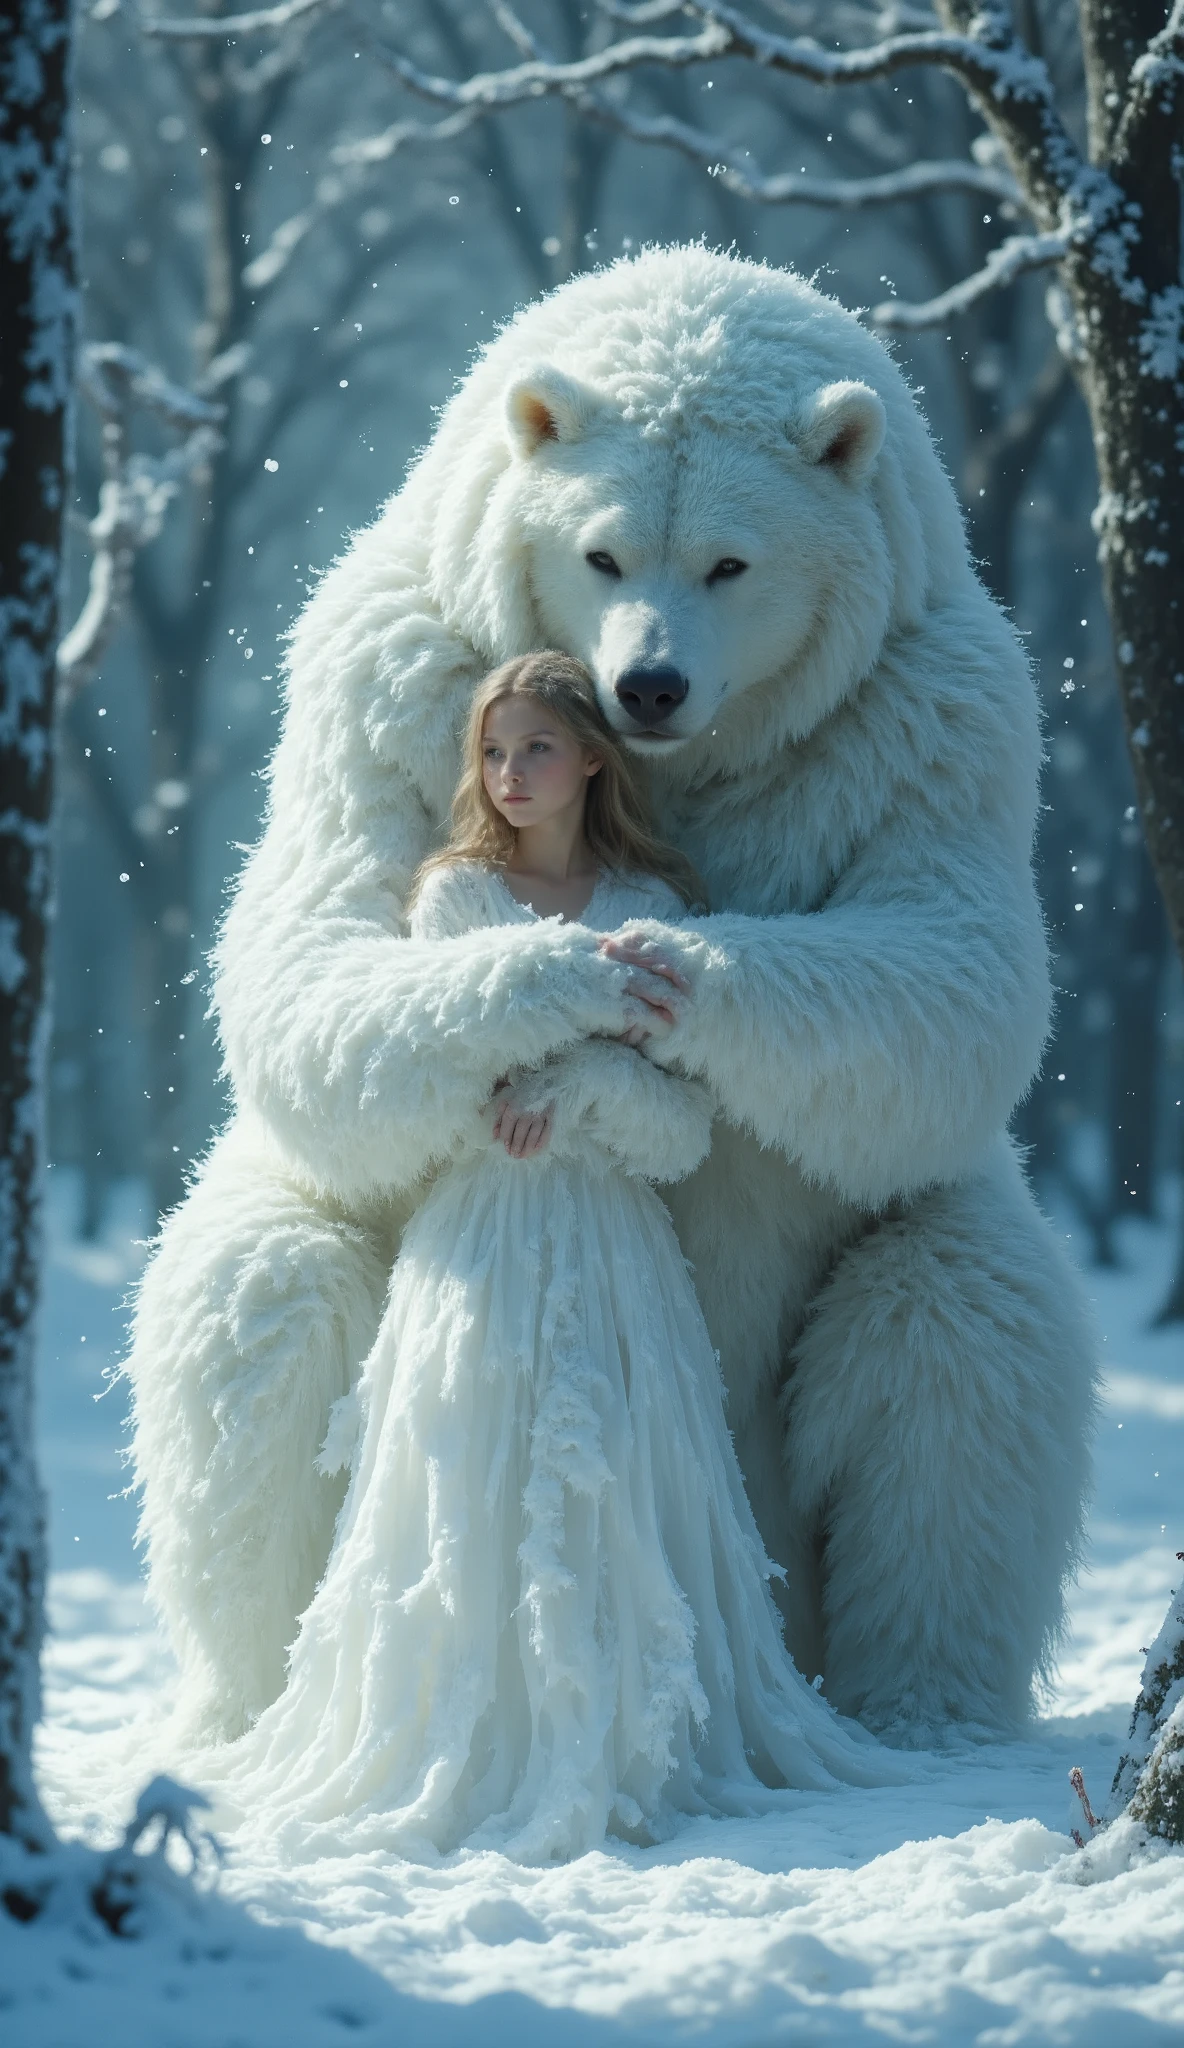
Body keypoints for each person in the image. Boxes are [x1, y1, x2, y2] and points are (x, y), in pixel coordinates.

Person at [209, 651, 900, 1865]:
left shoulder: (653, 908)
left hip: (614, 1248)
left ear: (590, 756)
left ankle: (626, 1734)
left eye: (534, 748)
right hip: (477, 1241)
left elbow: (678, 1131)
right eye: (491, 751)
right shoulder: (456, 901)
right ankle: (468, 1737)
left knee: (609, 1483)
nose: (509, 774)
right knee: (468, 1476)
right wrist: (558, 1033)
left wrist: (582, 1081)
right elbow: (453, 1080)